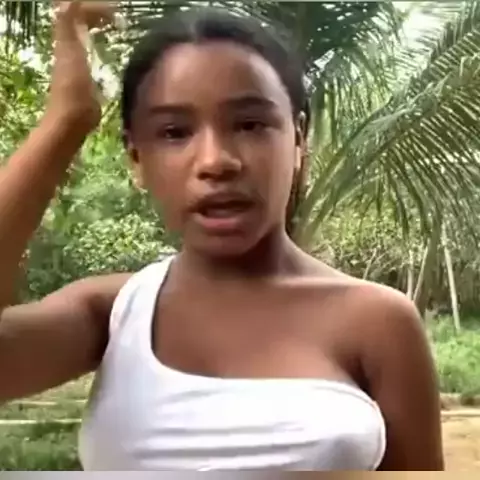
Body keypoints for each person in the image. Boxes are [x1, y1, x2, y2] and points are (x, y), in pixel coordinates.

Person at [0, 0, 444, 471]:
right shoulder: (113, 315)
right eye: (175, 132)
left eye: (250, 124)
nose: (216, 161)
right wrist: (65, 121)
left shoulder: (379, 322)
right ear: (136, 158)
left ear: (298, 140)